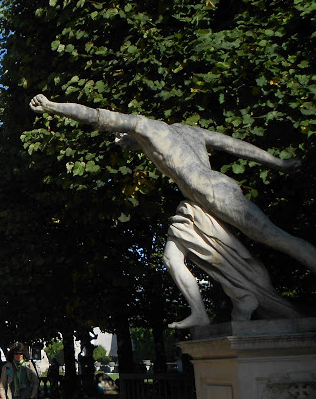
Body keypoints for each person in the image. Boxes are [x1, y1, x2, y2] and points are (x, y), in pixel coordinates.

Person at [29, 95, 311, 328]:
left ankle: (240, 297)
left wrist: (53, 107)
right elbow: (234, 145)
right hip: (200, 199)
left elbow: (95, 115)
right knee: (171, 257)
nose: (122, 142)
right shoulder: (190, 131)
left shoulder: (145, 126)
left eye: (122, 137)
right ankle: (201, 311)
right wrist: (276, 162)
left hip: (212, 193)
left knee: (276, 238)